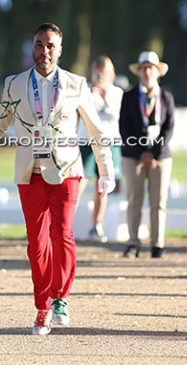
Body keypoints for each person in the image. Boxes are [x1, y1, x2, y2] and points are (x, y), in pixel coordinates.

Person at [0, 22, 115, 336]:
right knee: (37, 244)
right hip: (29, 173)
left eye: (50, 45)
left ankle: (58, 300)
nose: (44, 51)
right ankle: (42, 304)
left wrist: (107, 171)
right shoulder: (15, 85)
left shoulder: (77, 85)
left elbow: (95, 132)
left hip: (66, 172)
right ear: (33, 48)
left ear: (60, 50)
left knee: (62, 234)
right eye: (39, 44)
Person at [119, 51, 175, 259]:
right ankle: (133, 242)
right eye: (143, 68)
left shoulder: (166, 97)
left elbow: (168, 129)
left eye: (151, 68)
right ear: (139, 72)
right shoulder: (129, 96)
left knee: (158, 201)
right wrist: (141, 153)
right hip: (133, 155)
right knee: (134, 199)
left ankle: (157, 244)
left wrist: (153, 153)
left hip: (160, 156)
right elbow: (124, 128)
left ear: (158, 72)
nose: (147, 72)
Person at [77, 56, 124, 242]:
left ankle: (97, 225)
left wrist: (103, 95)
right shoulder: (85, 90)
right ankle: (63, 222)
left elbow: (116, 115)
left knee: (102, 185)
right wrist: (93, 92)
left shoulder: (117, 93)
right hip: (87, 142)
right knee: (80, 181)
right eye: (97, 72)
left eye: (103, 72)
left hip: (110, 143)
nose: (100, 76)